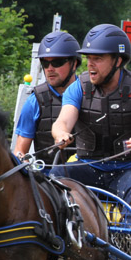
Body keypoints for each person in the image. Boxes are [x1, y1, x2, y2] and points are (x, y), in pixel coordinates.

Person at [50, 24, 131, 223]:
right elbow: (62, 122)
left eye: (98, 59)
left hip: (127, 170)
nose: (90, 65)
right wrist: (61, 134)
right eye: (88, 59)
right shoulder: (79, 87)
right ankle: (60, 233)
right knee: (56, 175)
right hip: (88, 167)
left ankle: (129, 244)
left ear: (118, 61)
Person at [13, 31, 82, 165]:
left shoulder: (92, 96)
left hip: (85, 176)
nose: (50, 68)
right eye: (45, 63)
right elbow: (20, 152)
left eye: (57, 62)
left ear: (74, 64)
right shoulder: (34, 101)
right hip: (46, 177)